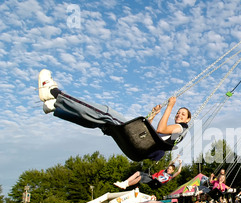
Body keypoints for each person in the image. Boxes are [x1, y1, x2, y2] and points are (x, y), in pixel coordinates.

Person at [38, 69, 191, 161]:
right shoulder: (172, 133)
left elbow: (161, 129)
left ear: (188, 119)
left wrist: (170, 106)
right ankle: (56, 108)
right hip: (138, 148)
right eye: (178, 112)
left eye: (182, 114)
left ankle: (53, 92)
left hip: (139, 144)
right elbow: (151, 131)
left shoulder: (182, 128)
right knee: (101, 122)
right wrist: (153, 114)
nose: (179, 115)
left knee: (107, 112)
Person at [114, 157, 183, 189]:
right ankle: (124, 182)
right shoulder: (165, 171)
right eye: (168, 168)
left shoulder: (170, 176)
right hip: (152, 177)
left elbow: (178, 171)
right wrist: (176, 158)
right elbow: (170, 163)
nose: (168, 170)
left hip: (155, 182)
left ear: (172, 171)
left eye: (170, 169)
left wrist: (180, 164)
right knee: (138, 173)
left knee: (140, 177)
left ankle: (127, 185)